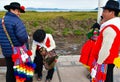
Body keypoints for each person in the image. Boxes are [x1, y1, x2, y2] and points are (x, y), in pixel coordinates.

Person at [0, 2, 32, 82]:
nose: (19, 13)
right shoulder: (17, 21)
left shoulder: (1, 20)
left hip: (7, 51)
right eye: (18, 11)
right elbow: (23, 37)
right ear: (12, 10)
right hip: (18, 52)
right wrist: (26, 38)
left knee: (10, 70)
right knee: (23, 70)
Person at [90, 0, 120, 82]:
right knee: (108, 77)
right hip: (110, 59)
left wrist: (98, 64)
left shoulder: (110, 28)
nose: (102, 13)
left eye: (104, 11)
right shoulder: (115, 25)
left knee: (104, 79)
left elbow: (105, 49)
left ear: (112, 12)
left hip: (105, 61)